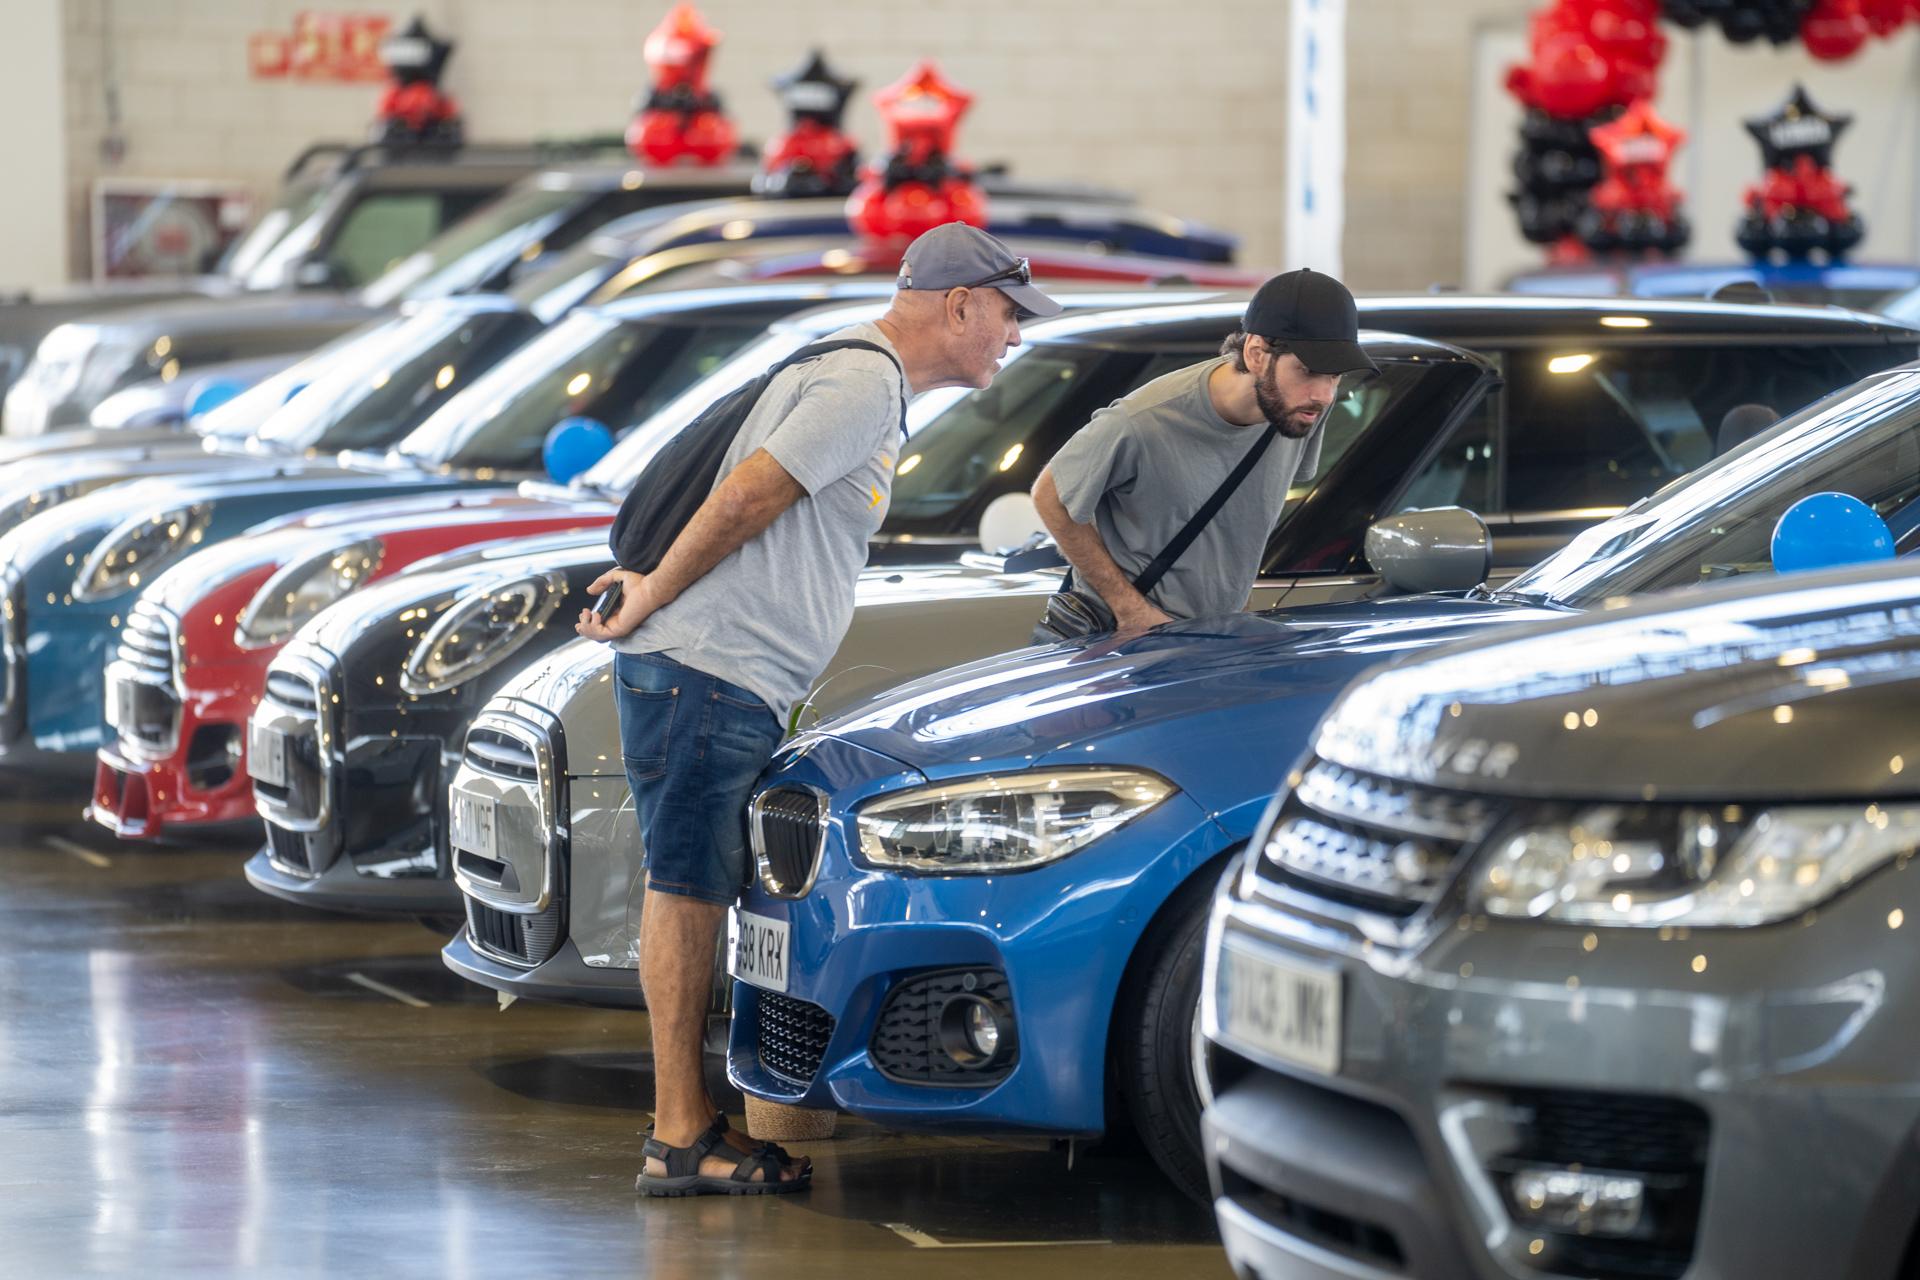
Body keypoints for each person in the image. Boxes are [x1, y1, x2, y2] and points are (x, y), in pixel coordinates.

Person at [575, 221, 1059, 1196]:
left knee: (695, 881)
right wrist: (658, 593)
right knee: (686, 886)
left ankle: (691, 1122)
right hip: (711, 668)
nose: (1013, 337)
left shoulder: (860, 375)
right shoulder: (861, 381)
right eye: (1008, 315)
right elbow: (747, 497)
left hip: (720, 670)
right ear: (959, 304)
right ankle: (678, 1135)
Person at [1032, 268, 1376, 634]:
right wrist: (1130, 609)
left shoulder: (1301, 409)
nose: (1323, 395)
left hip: (1214, 642)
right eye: (1308, 371)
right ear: (1257, 354)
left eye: (1335, 376)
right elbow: (1050, 496)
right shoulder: (1145, 418)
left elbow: (1243, 518)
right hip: (1126, 641)